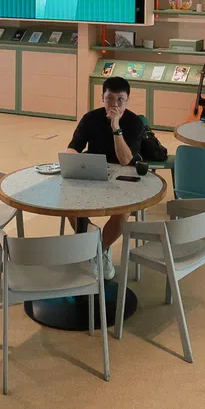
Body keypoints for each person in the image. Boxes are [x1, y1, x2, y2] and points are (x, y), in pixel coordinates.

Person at [63, 76, 144, 279]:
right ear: (102, 98)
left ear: (127, 100)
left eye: (120, 100)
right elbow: (73, 147)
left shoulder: (134, 122)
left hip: (123, 177)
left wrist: (116, 128)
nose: (114, 105)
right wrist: (71, 159)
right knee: (68, 204)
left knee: (123, 212)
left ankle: (99, 251)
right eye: (109, 99)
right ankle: (94, 245)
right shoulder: (90, 118)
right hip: (93, 172)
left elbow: (125, 160)